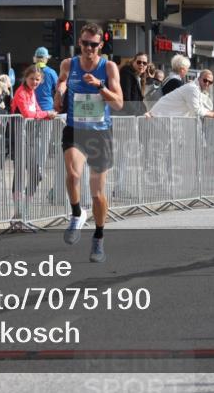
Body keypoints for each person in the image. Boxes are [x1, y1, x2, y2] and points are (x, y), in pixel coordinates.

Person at [55, 23, 124, 263]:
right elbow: (62, 83)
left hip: (99, 133)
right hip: (75, 129)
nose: (88, 48)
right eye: (84, 43)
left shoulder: (109, 67)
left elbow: (118, 104)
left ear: (101, 46)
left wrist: (100, 86)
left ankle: (98, 237)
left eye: (93, 44)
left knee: (96, 193)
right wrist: (60, 89)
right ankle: (76, 213)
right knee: (73, 175)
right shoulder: (68, 64)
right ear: (80, 44)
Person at [11, 65, 59, 220]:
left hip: (29, 138)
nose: (34, 82)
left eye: (37, 79)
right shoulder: (21, 92)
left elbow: (37, 111)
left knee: (37, 174)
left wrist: (45, 114)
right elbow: (27, 113)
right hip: (18, 137)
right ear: (26, 78)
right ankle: (18, 213)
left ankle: (24, 208)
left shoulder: (32, 93)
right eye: (32, 79)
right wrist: (46, 113)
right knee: (19, 175)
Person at [148, 70, 214, 119]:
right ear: (199, 78)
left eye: (210, 82)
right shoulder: (193, 88)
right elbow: (197, 111)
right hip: (159, 116)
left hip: (163, 117)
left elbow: (199, 108)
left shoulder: (196, 88)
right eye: (205, 80)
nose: (207, 83)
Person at [32, 47, 59, 113]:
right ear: (45, 59)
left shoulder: (30, 72)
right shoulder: (51, 72)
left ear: (35, 58)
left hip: (32, 108)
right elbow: (58, 89)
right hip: (48, 108)